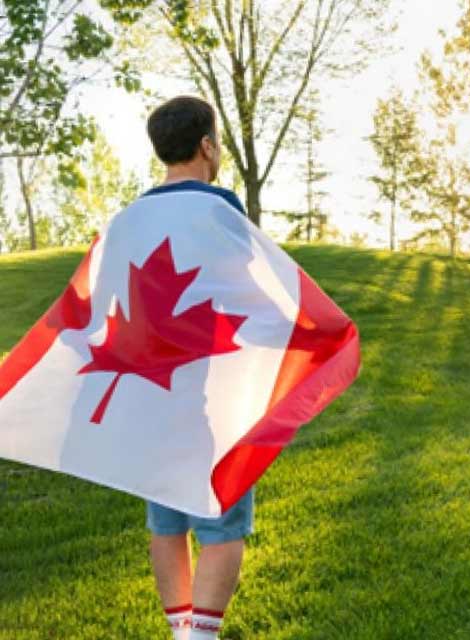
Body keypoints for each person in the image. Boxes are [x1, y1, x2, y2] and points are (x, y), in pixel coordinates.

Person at [143, 95, 254, 640]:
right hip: (210, 391)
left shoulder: (131, 216)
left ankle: (179, 630)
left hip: (150, 393)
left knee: (166, 519)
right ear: (207, 146)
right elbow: (249, 287)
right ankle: (201, 636)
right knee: (222, 519)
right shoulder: (220, 208)